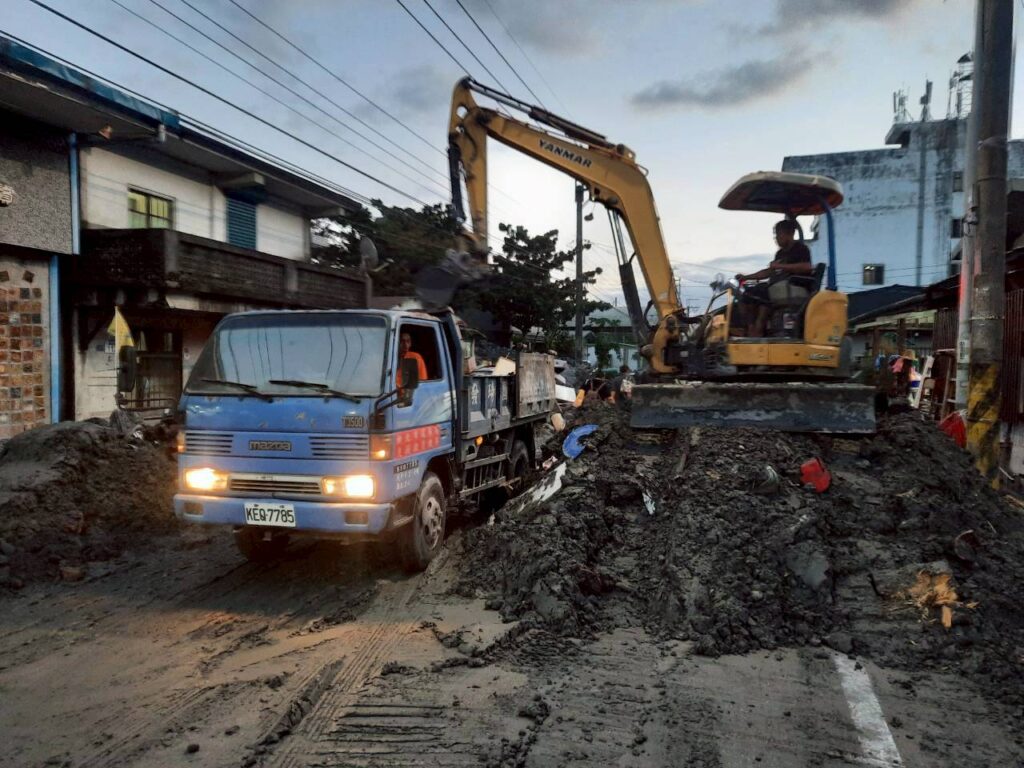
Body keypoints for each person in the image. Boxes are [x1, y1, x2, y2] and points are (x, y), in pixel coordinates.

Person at [736, 220, 814, 337]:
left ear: (790, 234)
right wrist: (746, 277)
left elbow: (807, 267)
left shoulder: (801, 249)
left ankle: (758, 328)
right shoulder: (780, 254)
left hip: (796, 285)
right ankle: (750, 328)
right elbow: (768, 272)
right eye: (775, 235)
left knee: (763, 291)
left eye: (778, 234)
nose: (776, 238)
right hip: (778, 286)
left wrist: (780, 266)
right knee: (746, 294)